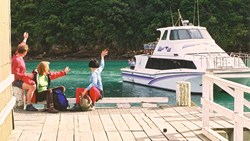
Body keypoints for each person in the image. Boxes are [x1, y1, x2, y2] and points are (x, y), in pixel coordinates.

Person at [12, 32, 37, 111]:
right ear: (25, 52)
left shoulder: (17, 54)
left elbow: (22, 45)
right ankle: (29, 105)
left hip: (21, 78)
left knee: (34, 82)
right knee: (32, 86)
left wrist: (25, 38)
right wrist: (26, 75)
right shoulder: (16, 60)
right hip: (16, 81)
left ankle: (30, 102)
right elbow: (14, 74)